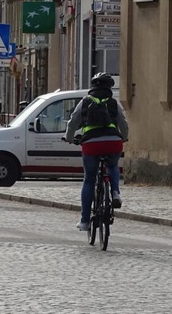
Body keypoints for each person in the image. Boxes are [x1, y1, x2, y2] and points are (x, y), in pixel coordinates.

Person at [64, 72, 129, 231]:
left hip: (91, 144)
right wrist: (124, 138)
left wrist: (69, 138)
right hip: (113, 142)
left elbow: (73, 122)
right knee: (112, 165)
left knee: (89, 179)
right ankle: (115, 193)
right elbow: (124, 123)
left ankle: (85, 221)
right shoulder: (113, 103)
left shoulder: (85, 102)